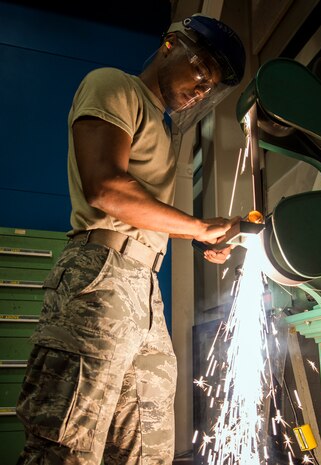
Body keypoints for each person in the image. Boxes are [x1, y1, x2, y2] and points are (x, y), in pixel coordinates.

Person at [16, 13, 246, 465]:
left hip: (145, 289)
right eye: (200, 70)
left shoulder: (164, 130)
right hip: (99, 279)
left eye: (210, 85)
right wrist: (198, 227)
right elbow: (106, 187)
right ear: (169, 44)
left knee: (147, 449)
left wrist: (199, 237)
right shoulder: (114, 87)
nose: (201, 88)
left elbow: (148, 216)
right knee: (66, 447)